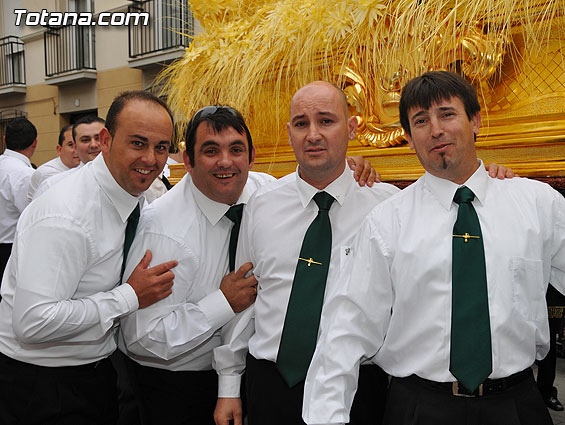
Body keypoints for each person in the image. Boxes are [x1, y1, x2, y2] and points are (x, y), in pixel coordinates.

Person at [301, 71, 565, 425]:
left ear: (475, 120)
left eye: (447, 114)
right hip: (418, 408)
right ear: (409, 137)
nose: (435, 130)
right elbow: (347, 327)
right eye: (420, 121)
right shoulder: (386, 222)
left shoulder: (535, 203)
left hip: (516, 405)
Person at [212, 81, 399, 425]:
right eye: (301, 124)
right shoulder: (261, 205)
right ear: (289, 133)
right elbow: (245, 300)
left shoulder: (386, 207)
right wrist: (229, 385)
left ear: (352, 128)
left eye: (326, 121)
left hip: (357, 383)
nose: (313, 134)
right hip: (272, 383)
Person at [0, 91, 179, 424]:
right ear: (107, 141)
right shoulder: (67, 213)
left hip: (94, 372)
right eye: (138, 143)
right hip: (45, 385)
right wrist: (129, 297)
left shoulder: (131, 194)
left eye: (162, 146)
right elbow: (32, 321)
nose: (152, 159)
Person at [119, 105, 271, 424]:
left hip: (250, 375)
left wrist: (354, 170)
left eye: (236, 149)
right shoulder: (162, 230)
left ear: (252, 156)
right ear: (187, 161)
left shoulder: (268, 194)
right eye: (211, 151)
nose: (226, 161)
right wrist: (222, 303)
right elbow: (142, 337)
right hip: (176, 387)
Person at [0, 117, 37, 283]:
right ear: (35, 143)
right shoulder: (26, 175)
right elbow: (31, 216)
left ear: (5, 140)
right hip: (9, 249)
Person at [27, 124, 80, 202]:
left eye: (79, 144)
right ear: (59, 149)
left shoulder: (83, 168)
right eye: (71, 145)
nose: (77, 150)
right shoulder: (48, 174)